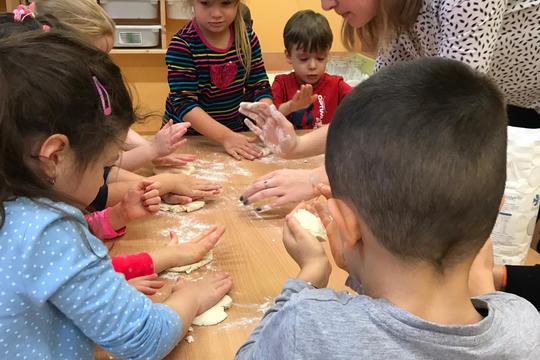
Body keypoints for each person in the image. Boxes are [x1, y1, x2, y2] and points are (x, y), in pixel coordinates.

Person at [235, 57, 539, 359]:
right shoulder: (526, 325)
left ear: (346, 225)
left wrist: (310, 272)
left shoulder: (308, 325)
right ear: (496, 210)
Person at [0, 29, 232, 359]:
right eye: (104, 165)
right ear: (54, 157)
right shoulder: (49, 231)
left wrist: (108, 287)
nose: (103, 178)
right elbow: (146, 339)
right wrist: (191, 297)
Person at [240, 0, 540, 208]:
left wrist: (319, 178)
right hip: (500, 100)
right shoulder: (398, 16)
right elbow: (373, 111)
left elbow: (450, 116)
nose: (326, 5)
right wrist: (297, 148)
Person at [164, 0, 273, 161]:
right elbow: (184, 104)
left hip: (234, 134)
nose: (216, 13)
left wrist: (265, 114)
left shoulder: (247, 38)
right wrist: (225, 137)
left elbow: (259, 87)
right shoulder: (182, 44)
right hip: (188, 139)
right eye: (206, 3)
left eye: (226, 3)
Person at [271, 10, 351, 129]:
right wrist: (291, 106)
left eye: (320, 58)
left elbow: (363, 107)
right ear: (288, 56)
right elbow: (267, 118)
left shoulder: (337, 85)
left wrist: (333, 127)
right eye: (304, 59)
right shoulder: (281, 84)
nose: (313, 66)